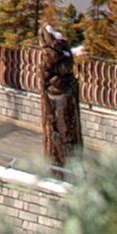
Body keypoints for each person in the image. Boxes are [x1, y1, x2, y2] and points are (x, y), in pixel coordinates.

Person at [39, 26, 84, 168]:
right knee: (59, 137)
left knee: (69, 137)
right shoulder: (49, 55)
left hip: (64, 97)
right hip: (56, 99)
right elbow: (48, 75)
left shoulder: (60, 53)